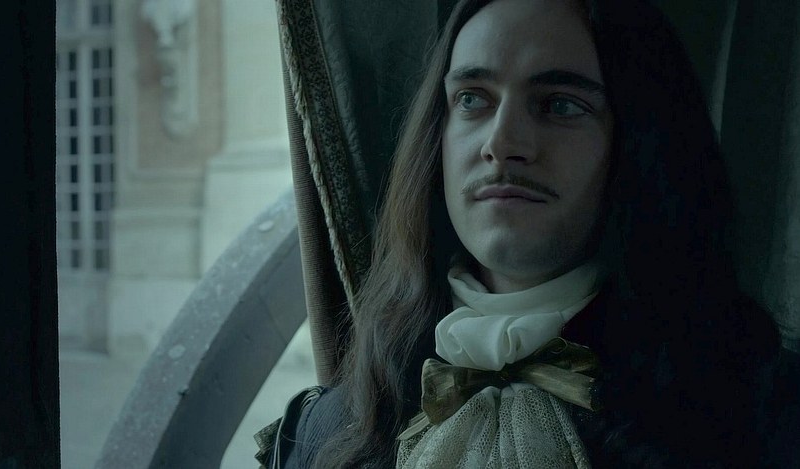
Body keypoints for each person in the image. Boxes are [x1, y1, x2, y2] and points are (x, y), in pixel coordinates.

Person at [258, 0, 792, 467]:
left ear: (639, 139)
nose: (502, 143)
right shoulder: (327, 430)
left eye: (560, 104)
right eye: (472, 99)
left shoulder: (762, 412)